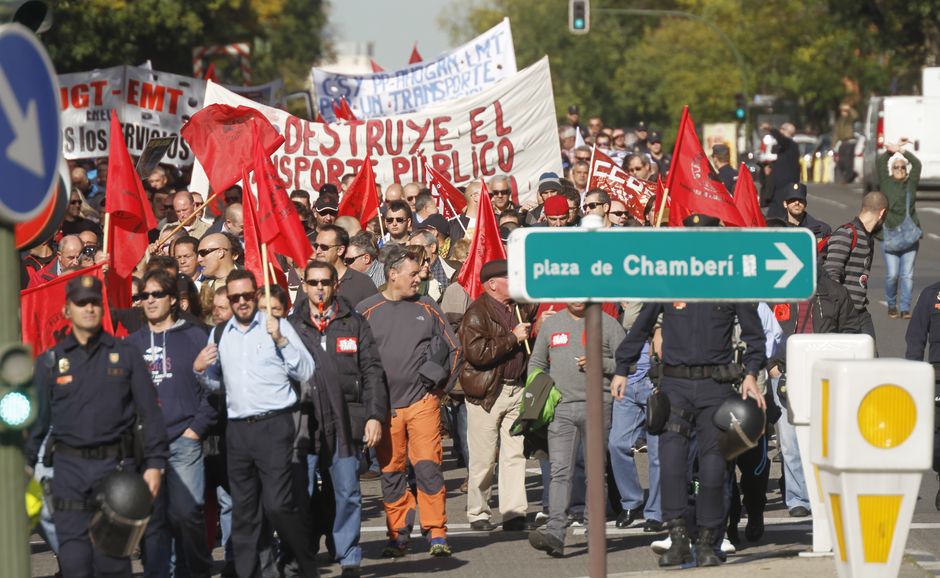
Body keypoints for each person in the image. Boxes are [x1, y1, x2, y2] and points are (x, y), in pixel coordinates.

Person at [612, 214, 767, 568]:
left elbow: (755, 335)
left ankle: (711, 541)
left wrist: (752, 372)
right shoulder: (668, 280)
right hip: (676, 388)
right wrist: (622, 368)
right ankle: (679, 539)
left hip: (716, 388)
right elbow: (641, 327)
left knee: (713, 470)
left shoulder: (731, 282)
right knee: (671, 466)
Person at [26, 275, 169, 577]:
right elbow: (36, 426)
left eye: (93, 302)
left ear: (101, 308)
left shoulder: (125, 354)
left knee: (112, 564)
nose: (88, 309)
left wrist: (155, 463)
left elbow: (150, 413)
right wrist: (23, 472)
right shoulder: (50, 362)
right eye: (81, 303)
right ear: (67, 310)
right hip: (68, 472)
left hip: (114, 471)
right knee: (75, 563)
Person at [194, 270, 320, 578]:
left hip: (274, 425)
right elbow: (218, 385)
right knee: (244, 514)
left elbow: (306, 370)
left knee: (277, 505)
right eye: (234, 298)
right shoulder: (220, 333)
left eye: (246, 296)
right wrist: (200, 371)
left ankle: (304, 564)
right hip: (237, 430)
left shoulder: (276, 326)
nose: (241, 303)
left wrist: (280, 339)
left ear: (256, 295)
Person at [357, 246, 463, 557]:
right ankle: (398, 535)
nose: (420, 278)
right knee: (391, 473)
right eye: (413, 274)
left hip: (422, 405)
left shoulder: (428, 306)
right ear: (392, 275)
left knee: (428, 468)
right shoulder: (365, 310)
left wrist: (441, 391)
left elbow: (454, 349)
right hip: (384, 409)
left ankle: (437, 532)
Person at [288, 260, 389, 577]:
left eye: (325, 282)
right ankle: (301, 552)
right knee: (300, 491)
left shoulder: (354, 322)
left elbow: (372, 371)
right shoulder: (291, 327)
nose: (319, 288)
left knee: (347, 491)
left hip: (346, 421)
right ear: (304, 285)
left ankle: (348, 555)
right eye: (313, 282)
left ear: (335, 285)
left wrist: (374, 416)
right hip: (303, 423)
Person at [127, 270, 216, 578]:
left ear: (172, 300)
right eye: (143, 296)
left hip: (183, 440)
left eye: (156, 295)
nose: (149, 301)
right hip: (145, 446)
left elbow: (215, 390)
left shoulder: (195, 336)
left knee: (187, 513)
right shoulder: (131, 344)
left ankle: (198, 570)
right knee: (153, 520)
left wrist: (195, 430)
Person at [526, 301, 626, 557]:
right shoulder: (552, 323)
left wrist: (600, 363)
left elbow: (627, 364)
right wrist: (537, 394)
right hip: (560, 410)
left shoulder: (608, 324)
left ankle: (595, 536)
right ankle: (556, 534)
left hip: (597, 407)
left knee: (595, 473)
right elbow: (536, 361)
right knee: (560, 473)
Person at [768, 271, 860, 518]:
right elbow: (761, 327)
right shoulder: (776, 290)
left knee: (824, 439)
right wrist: (772, 367)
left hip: (824, 374)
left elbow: (851, 329)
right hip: (785, 373)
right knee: (789, 442)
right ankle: (797, 497)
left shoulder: (835, 291)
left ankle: (823, 494)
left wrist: (837, 355)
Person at [458, 260, 532, 533]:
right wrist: (512, 338)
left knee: (515, 454)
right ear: (492, 284)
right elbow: (477, 353)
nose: (515, 282)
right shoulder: (476, 313)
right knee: (483, 458)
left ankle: (514, 512)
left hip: (517, 388)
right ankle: (478, 512)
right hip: (488, 393)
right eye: (509, 278)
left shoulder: (519, 307)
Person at [822, 191, 888, 341]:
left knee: (870, 356)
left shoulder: (867, 237)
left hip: (860, 310)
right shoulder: (846, 234)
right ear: (882, 213)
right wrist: (839, 312)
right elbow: (831, 275)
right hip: (843, 314)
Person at [904, 280, 940, 509]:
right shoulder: (931, 294)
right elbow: (916, 337)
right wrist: (913, 375)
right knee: (936, 443)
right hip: (937, 376)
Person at [878, 139, 922, 319]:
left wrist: (903, 152)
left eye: (902, 167)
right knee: (892, 275)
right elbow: (880, 162)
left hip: (910, 236)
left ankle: (904, 308)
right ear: (891, 170)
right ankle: (891, 304)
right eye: (896, 167)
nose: (899, 170)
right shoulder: (886, 183)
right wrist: (891, 151)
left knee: (907, 275)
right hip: (889, 235)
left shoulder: (910, 183)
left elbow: (917, 164)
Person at [313, 225, 379, 308]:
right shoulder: (309, 282)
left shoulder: (363, 283)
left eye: (324, 247)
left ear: (340, 250)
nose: (318, 251)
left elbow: (376, 317)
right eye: (316, 246)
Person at [765, 122, 801, 219]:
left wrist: (770, 128)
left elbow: (781, 138)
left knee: (776, 215)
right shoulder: (786, 147)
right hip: (781, 186)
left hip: (784, 186)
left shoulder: (789, 144)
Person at [833, 103, 858, 184]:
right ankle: (849, 176)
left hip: (850, 141)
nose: (843, 112)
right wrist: (833, 145)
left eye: (844, 110)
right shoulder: (839, 120)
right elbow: (836, 133)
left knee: (848, 161)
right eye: (842, 110)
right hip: (842, 142)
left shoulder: (849, 118)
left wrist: (849, 108)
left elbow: (855, 115)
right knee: (841, 162)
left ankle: (848, 178)